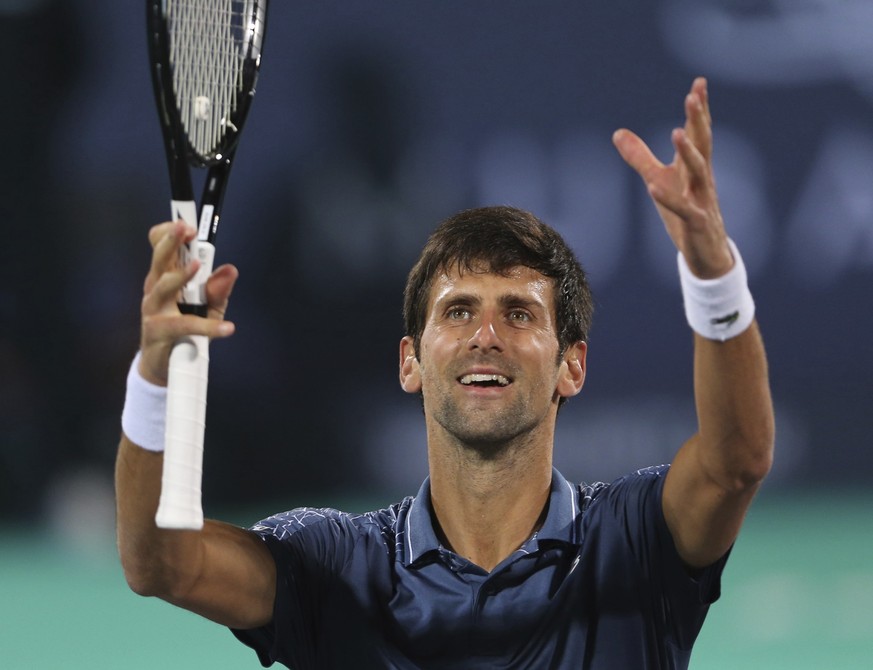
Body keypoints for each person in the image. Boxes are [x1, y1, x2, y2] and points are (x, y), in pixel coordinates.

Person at [116, 77, 774, 669]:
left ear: (570, 366)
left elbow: (735, 461)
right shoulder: (334, 566)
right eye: (458, 313)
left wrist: (713, 276)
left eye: (518, 315)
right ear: (410, 362)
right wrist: (153, 373)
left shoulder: (631, 540)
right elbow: (160, 564)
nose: (484, 337)